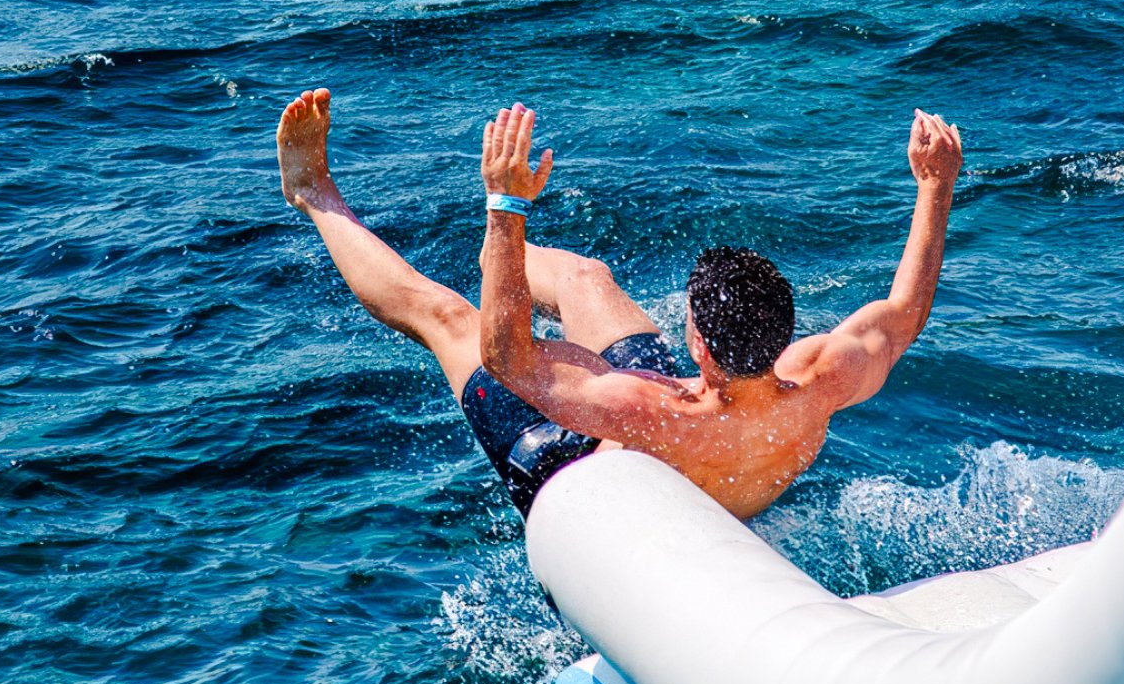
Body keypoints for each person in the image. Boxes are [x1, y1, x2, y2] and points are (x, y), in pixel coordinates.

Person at [277, 89, 961, 520]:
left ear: (699, 345)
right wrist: (936, 186)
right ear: (782, 335)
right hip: (686, 431)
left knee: (447, 317)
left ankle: (313, 192)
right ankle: (500, 265)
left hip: (572, 473)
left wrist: (506, 205)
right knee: (586, 278)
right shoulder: (821, 382)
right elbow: (904, 313)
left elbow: (507, 358)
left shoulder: (648, 408)